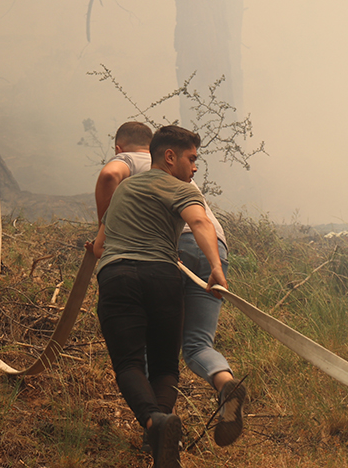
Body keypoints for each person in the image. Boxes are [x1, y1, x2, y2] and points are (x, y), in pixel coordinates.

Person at [94, 122, 248, 449]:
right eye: (192, 158)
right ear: (169, 156)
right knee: (166, 367)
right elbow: (199, 221)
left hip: (118, 278)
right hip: (163, 278)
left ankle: (155, 424)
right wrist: (216, 269)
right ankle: (159, 431)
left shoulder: (124, 190)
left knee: (130, 364)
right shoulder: (184, 189)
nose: (195, 167)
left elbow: (98, 246)